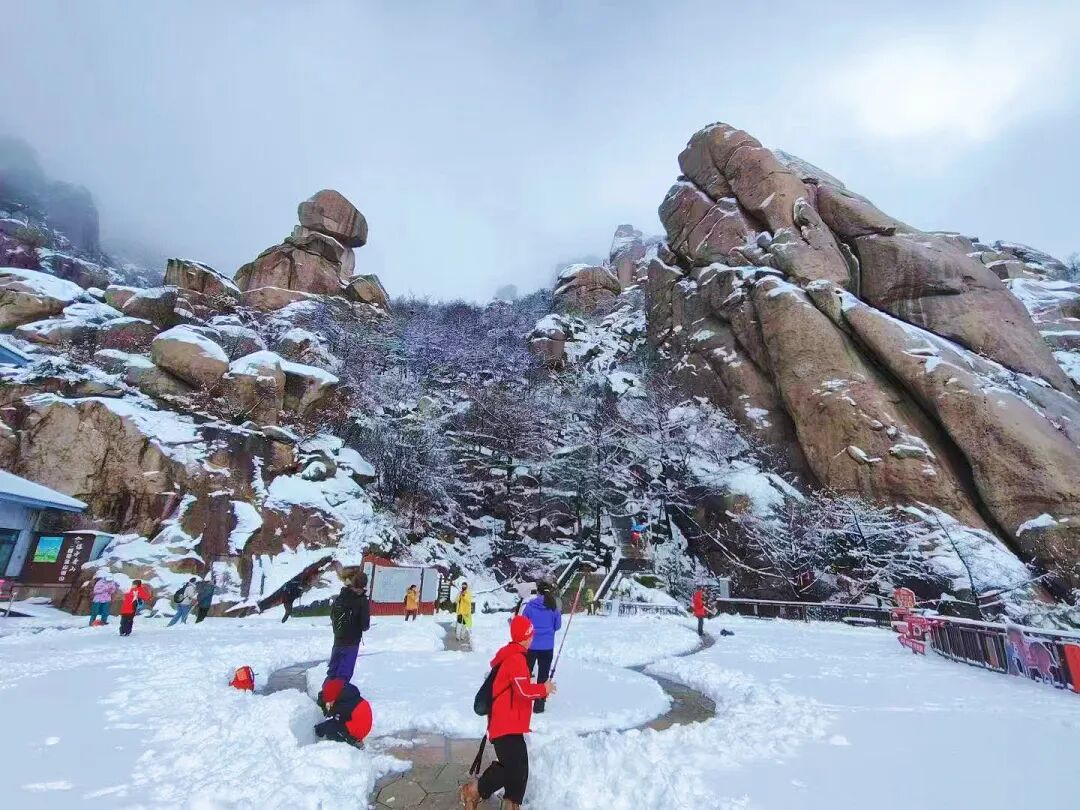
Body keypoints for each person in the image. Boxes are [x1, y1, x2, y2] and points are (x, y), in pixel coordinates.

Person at [459, 615, 555, 810]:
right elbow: (523, 690)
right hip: (505, 725)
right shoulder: (516, 659)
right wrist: (543, 688)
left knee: (518, 765)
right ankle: (474, 791)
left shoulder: (515, 655)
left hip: (510, 723)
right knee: (513, 766)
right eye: (530, 634)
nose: (532, 638)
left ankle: (510, 803)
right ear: (525, 637)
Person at [521, 581, 561, 713]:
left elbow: (523, 623)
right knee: (543, 676)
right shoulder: (553, 607)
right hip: (547, 646)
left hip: (531, 645)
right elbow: (557, 626)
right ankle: (539, 705)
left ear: (537, 591)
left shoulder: (530, 606)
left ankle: (522, 701)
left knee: (525, 674)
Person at [327, 572, 370, 682]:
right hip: (352, 642)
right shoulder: (361, 600)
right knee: (344, 674)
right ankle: (337, 692)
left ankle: (326, 691)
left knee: (333, 671)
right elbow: (365, 626)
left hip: (338, 640)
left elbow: (332, 616)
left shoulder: (341, 596)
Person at [314, 677, 373, 748]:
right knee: (333, 723)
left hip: (358, 731)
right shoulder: (348, 695)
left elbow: (335, 724)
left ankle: (353, 742)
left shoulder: (343, 706)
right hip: (362, 725)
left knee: (330, 731)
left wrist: (318, 730)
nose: (329, 703)